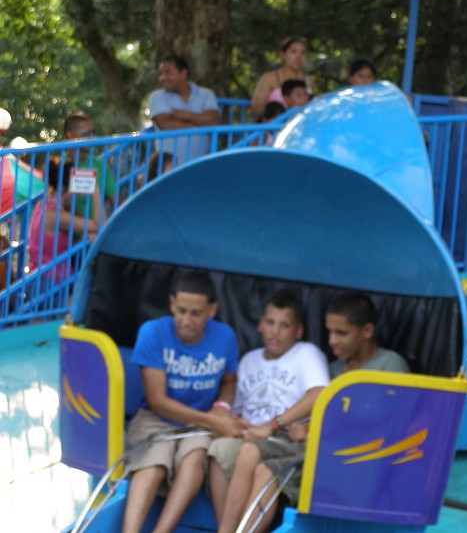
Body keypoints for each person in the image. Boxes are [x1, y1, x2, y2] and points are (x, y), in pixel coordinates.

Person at [122, 270, 245, 533]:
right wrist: (213, 420)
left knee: (195, 456)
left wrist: (221, 407)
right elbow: (157, 401)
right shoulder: (153, 332)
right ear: (171, 304)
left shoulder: (225, 337)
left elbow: (229, 380)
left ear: (212, 310)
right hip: (157, 420)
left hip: (197, 425)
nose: (186, 320)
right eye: (181, 311)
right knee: (154, 462)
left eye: (196, 314)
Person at [208, 288, 329, 533]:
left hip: (287, 437)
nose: (275, 331)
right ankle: (227, 527)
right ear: (260, 324)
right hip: (252, 434)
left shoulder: (306, 353)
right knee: (218, 450)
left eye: (284, 325)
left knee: (250, 452)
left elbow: (319, 394)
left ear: (298, 331)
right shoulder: (249, 360)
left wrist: (273, 425)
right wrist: (236, 421)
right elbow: (239, 409)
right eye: (270, 322)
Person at [28, 158, 100, 283]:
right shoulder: (56, 215)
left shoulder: (43, 205)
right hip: (52, 283)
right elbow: (97, 225)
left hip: (42, 277)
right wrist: (95, 190)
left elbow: (53, 245)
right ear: (65, 186)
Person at [147, 55, 221, 166]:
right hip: (167, 170)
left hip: (201, 165)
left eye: (168, 72)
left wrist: (183, 115)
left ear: (183, 73)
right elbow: (165, 124)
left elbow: (213, 121)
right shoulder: (157, 97)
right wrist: (201, 125)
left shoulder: (206, 94)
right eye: (161, 73)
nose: (162, 78)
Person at [326, 291, 410, 376]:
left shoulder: (390, 365)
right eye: (329, 331)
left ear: (367, 331)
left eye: (341, 333)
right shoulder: (334, 368)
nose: (332, 341)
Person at [62, 112, 116, 216]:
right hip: (66, 231)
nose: (92, 138)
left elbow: (115, 198)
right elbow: (52, 204)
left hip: (97, 230)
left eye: (93, 133)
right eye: (86, 134)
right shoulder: (58, 167)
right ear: (70, 135)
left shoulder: (99, 165)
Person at [251, 37, 316, 120]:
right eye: (293, 52)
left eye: (302, 53)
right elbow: (256, 110)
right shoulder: (270, 78)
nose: (298, 57)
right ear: (283, 55)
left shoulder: (309, 81)